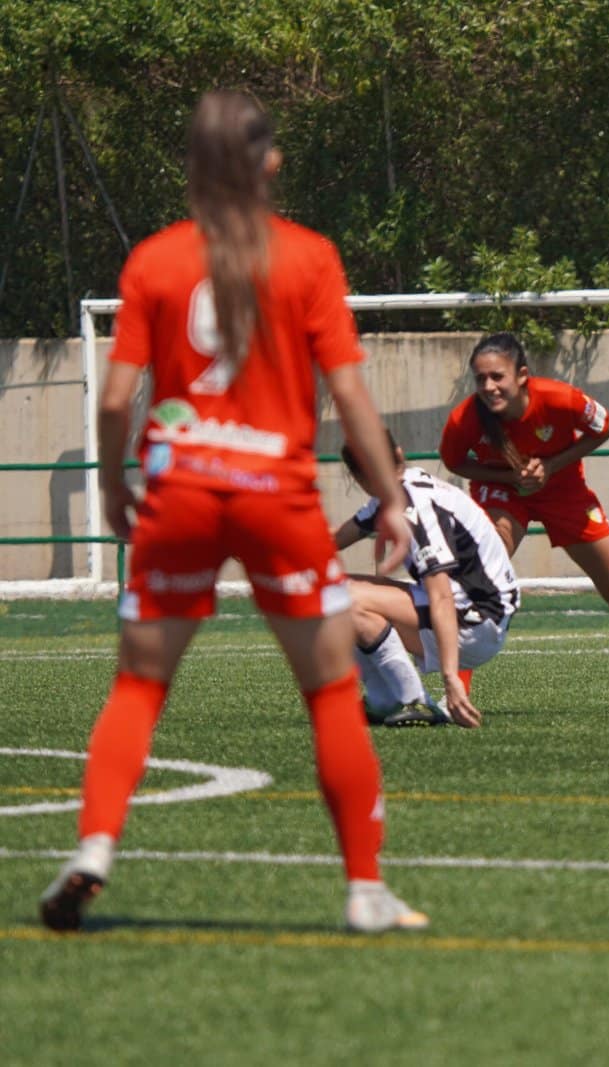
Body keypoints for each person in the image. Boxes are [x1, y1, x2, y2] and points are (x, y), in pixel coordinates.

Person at [39, 91, 426, 933]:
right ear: (271, 164)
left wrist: (112, 482)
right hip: (275, 500)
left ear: (189, 169)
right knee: (328, 691)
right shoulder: (309, 258)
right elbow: (349, 390)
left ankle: (95, 847)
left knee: (139, 686)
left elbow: (114, 397)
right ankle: (365, 889)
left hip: (177, 492)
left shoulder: (155, 261)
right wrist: (391, 497)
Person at [438, 332, 609, 714]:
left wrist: (551, 467)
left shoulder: (560, 399)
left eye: (498, 377)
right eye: (480, 379)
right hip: (503, 493)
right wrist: (512, 478)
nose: (489, 387)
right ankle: (455, 696)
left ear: (521, 375)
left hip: (566, 493)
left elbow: (604, 427)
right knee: (478, 581)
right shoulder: (465, 418)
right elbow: (454, 461)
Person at [333, 431, 520, 729]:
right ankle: (384, 701)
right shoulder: (400, 488)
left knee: (341, 595)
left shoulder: (416, 507)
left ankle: (414, 700)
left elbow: (442, 595)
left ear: (359, 479)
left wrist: (452, 680)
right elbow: (332, 543)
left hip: (475, 625)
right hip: (481, 616)